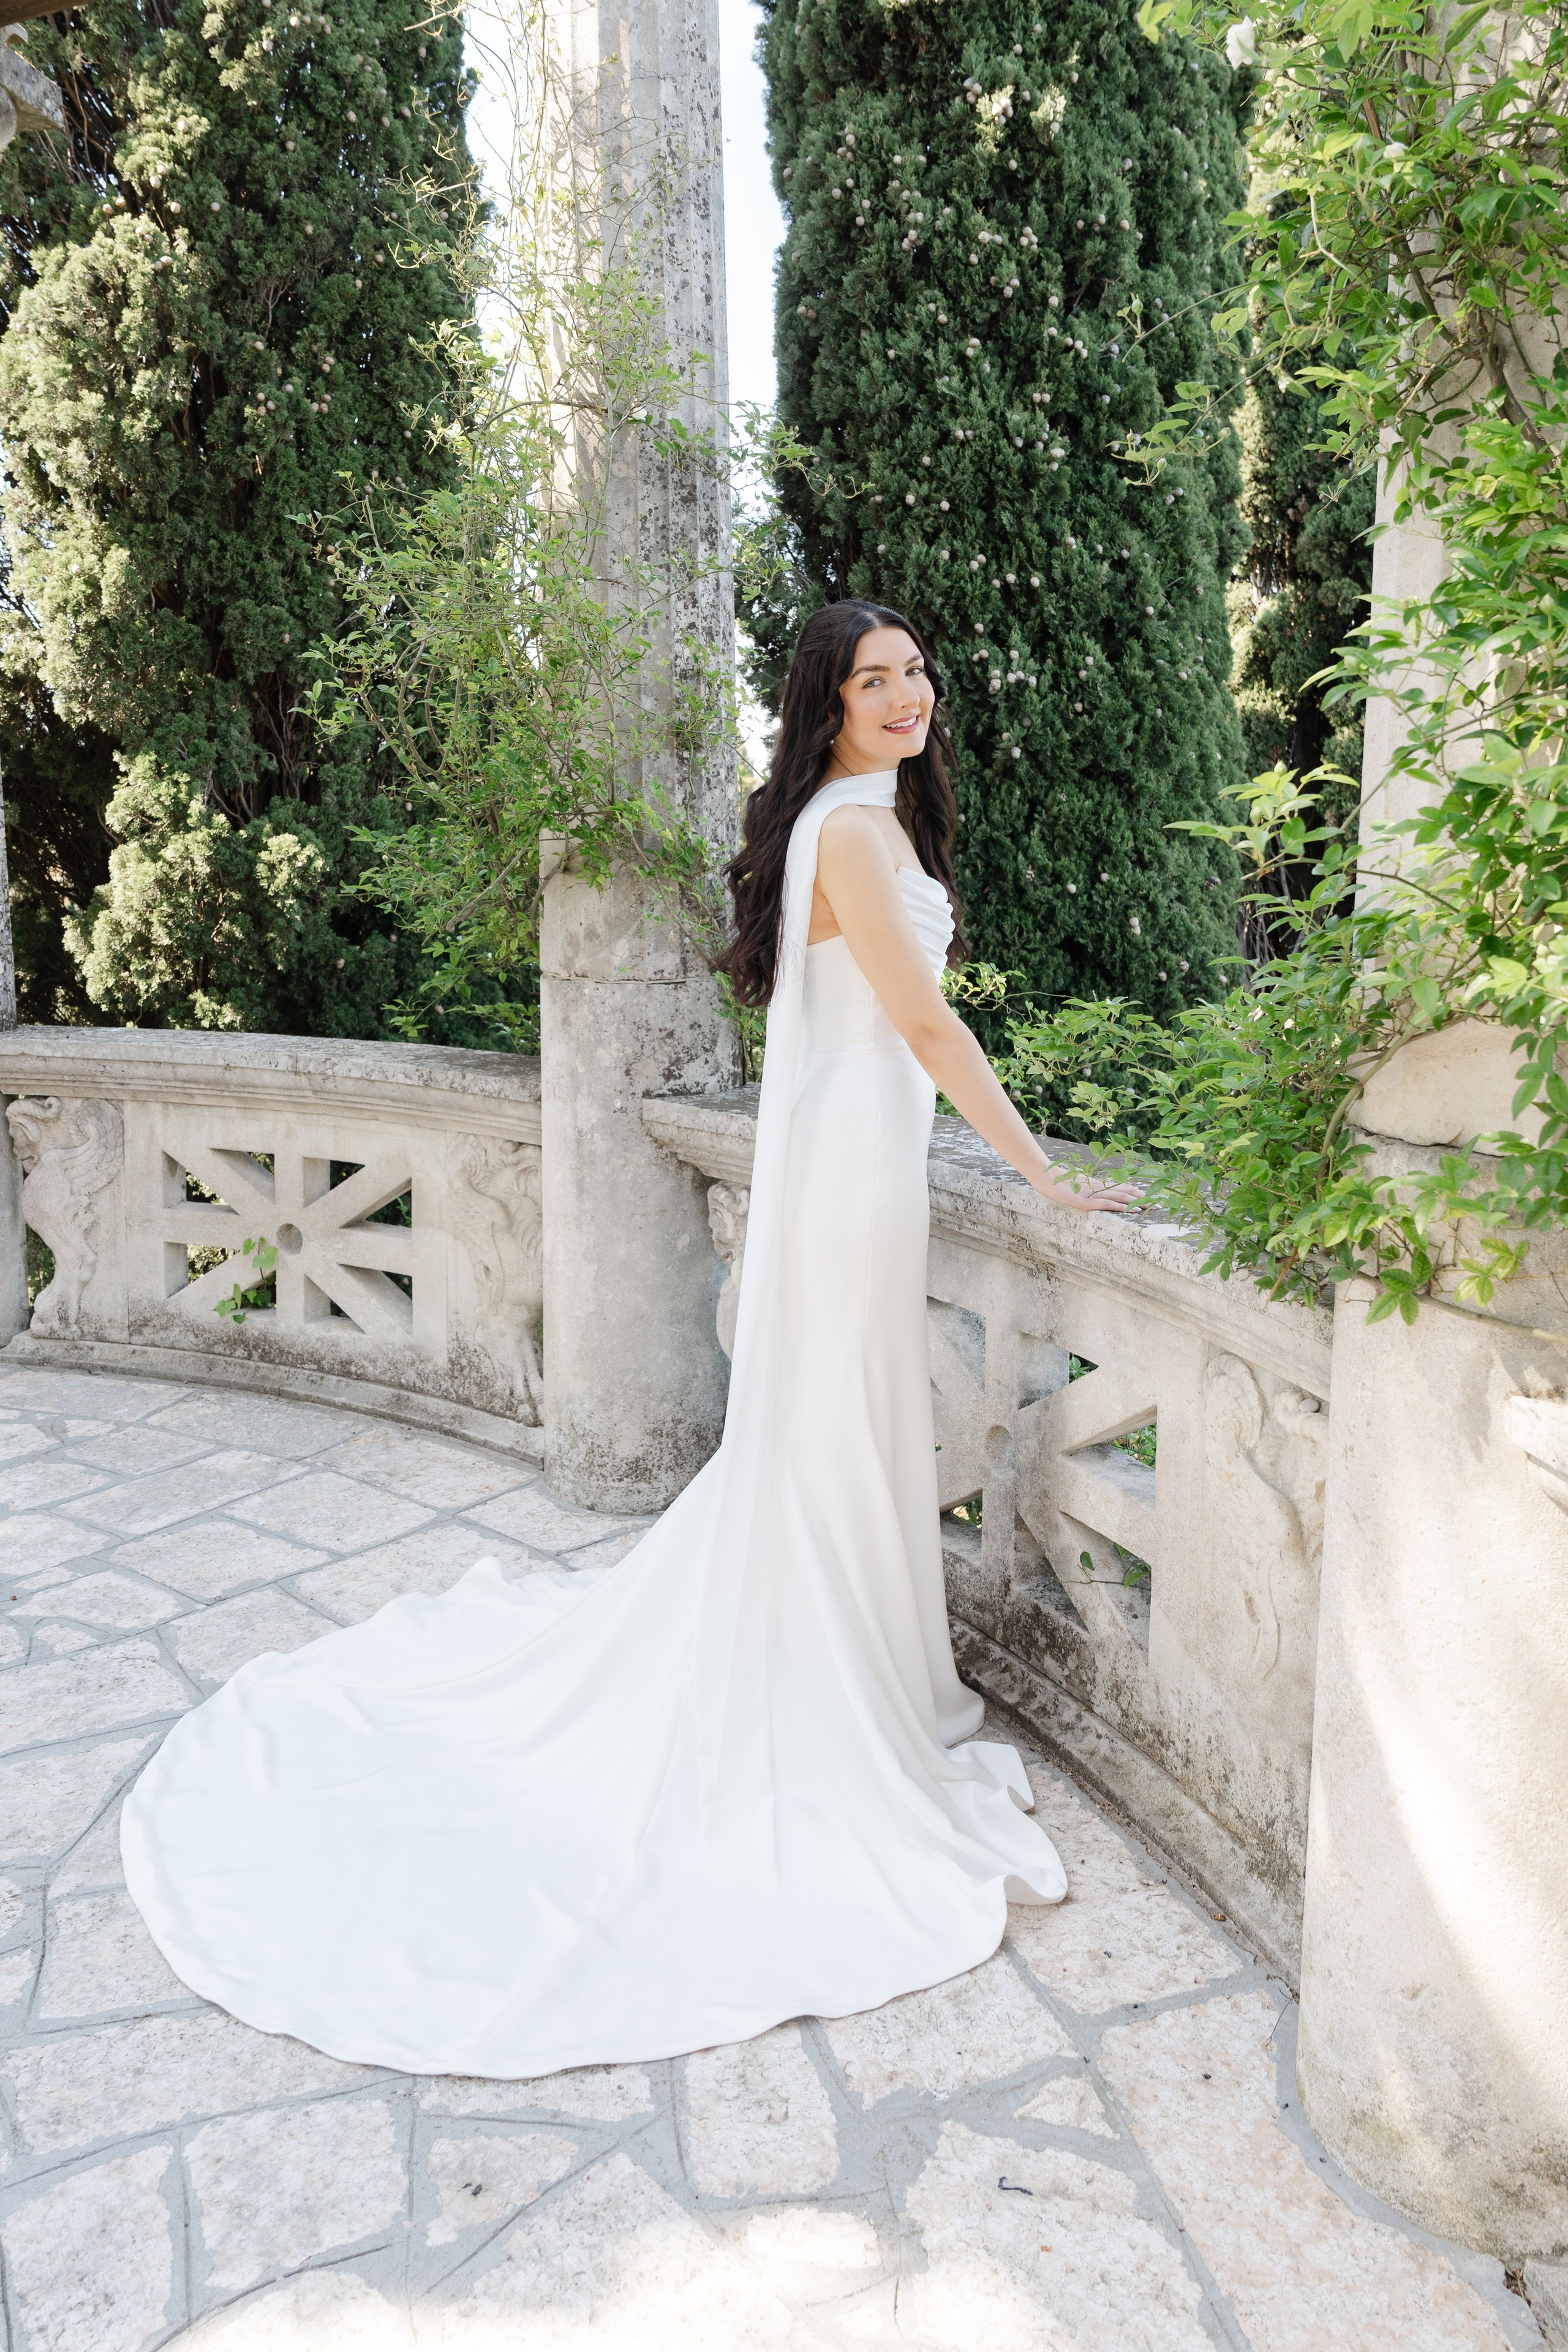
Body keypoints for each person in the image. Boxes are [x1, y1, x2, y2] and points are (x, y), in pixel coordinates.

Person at [120, 600, 1140, 2081]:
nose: (908, 694)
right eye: (874, 680)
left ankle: (850, 1667)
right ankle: (824, 1696)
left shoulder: (856, 822)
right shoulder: (851, 836)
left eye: (917, 669)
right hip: (856, 1175)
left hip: (855, 1168)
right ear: (825, 705)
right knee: (835, 1429)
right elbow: (925, 1031)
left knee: (833, 1432)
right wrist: (1044, 1170)